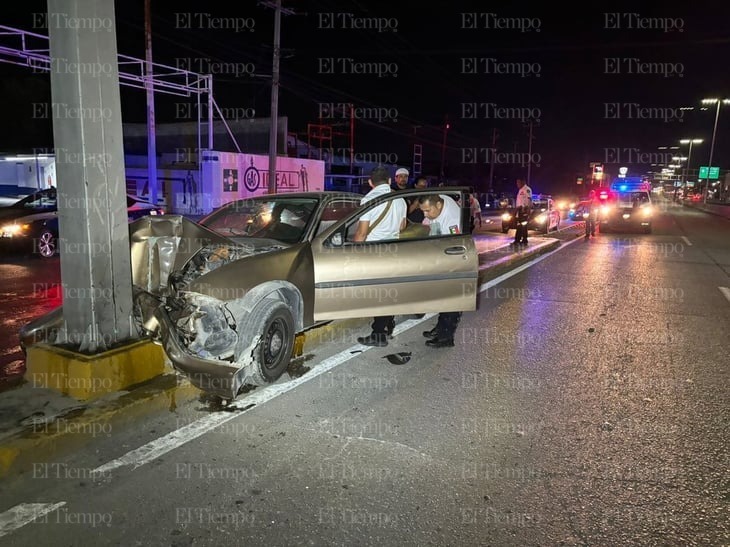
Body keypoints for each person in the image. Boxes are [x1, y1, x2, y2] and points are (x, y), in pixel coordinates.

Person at [355, 166, 408, 347]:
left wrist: (354, 254)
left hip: (374, 252)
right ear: (390, 181)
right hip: (393, 250)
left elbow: (361, 233)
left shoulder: (368, 199)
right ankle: (387, 325)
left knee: (379, 294)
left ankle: (378, 334)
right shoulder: (400, 199)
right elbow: (402, 227)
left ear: (370, 183)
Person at [418, 193, 463, 347]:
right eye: (423, 211)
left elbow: (454, 246)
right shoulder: (441, 199)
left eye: (427, 211)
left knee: (451, 301)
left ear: (438, 206)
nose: (425, 214)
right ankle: (440, 328)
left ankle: (446, 337)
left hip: (453, 262)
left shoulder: (452, 221)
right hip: (442, 255)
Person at [511, 178, 532, 247]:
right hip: (519, 210)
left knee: (523, 225)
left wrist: (528, 209)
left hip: (524, 210)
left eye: (518, 182)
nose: (517, 184)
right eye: (517, 183)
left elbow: (529, 200)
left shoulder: (527, 189)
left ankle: (524, 239)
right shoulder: (520, 190)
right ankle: (518, 239)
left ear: (523, 182)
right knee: (519, 225)